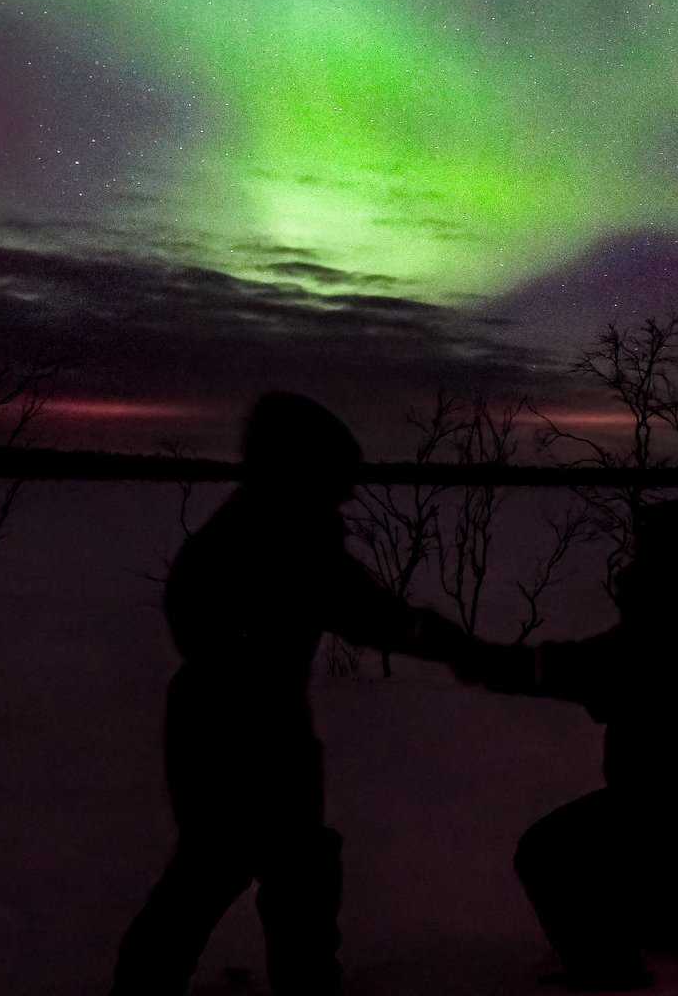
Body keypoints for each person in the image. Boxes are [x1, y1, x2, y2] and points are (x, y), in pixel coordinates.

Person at [113, 392, 470, 996]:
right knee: (246, 864)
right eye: (338, 479)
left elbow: (354, 607)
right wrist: (459, 648)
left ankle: (181, 980)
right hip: (242, 728)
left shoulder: (265, 526)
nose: (349, 494)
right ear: (305, 468)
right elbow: (366, 612)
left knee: (260, 863)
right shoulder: (283, 535)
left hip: (238, 721)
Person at [453, 498, 678, 991]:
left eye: (652, 543)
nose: (638, 552)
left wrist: (489, 664)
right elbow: (604, 668)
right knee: (653, 916)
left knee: (546, 854)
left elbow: (592, 667)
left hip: (677, 795)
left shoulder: (677, 619)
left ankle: (607, 978)